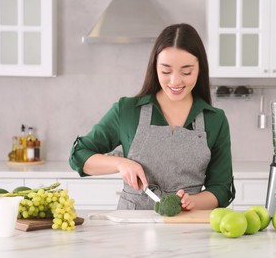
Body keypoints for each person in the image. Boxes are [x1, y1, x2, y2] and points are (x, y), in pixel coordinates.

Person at [69, 23, 235, 211]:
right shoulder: (127, 110)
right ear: (155, 68)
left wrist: (192, 202)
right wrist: (120, 164)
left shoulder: (215, 119)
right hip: (132, 227)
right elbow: (79, 155)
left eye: (186, 72)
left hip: (188, 226)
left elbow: (221, 188)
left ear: (200, 68)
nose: (175, 81)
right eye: (166, 71)